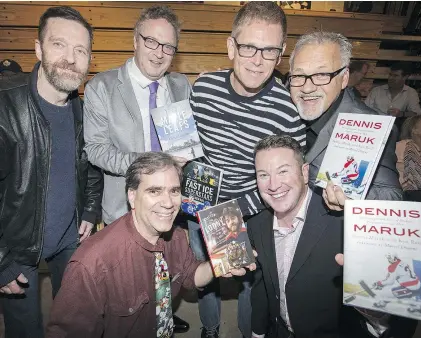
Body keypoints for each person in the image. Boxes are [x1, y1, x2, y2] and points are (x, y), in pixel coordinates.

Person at [248, 135, 421, 338]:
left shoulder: (345, 221)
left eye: (283, 171)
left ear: (305, 173)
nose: (273, 185)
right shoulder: (257, 224)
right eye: (263, 175)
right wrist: (258, 332)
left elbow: (382, 309)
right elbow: (263, 285)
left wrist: (397, 290)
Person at [188, 2, 306, 337]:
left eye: (269, 51)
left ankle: (247, 333)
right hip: (202, 207)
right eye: (249, 47)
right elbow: (190, 149)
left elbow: (287, 179)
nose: (257, 60)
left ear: (281, 54)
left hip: (254, 210)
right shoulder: (204, 89)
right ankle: (210, 329)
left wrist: (237, 211)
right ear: (230, 47)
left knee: (251, 283)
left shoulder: (287, 111)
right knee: (206, 277)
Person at [46, 152, 255, 338]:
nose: (168, 203)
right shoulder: (92, 264)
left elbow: (191, 276)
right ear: (132, 195)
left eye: (174, 191)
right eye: (154, 191)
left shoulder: (176, 236)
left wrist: (217, 265)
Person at [83, 6, 191, 330]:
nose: (159, 53)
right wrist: (150, 166)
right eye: (151, 42)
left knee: (164, 270)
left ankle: (162, 320)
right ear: (135, 40)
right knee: (126, 294)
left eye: (168, 46)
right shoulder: (101, 87)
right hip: (123, 205)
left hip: (169, 204)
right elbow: (96, 150)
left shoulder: (182, 86)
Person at [0, 6, 103, 338]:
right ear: (38, 48)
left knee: (74, 323)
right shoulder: (5, 105)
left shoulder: (83, 110)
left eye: (81, 50)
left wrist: (89, 208)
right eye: (59, 44)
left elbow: (91, 165)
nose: (70, 59)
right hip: (15, 251)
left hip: (69, 239)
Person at [288, 31, 402, 211]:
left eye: (322, 75)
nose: (307, 87)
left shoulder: (372, 125)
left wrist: (350, 198)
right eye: (299, 75)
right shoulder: (283, 108)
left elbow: (391, 198)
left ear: (344, 78)